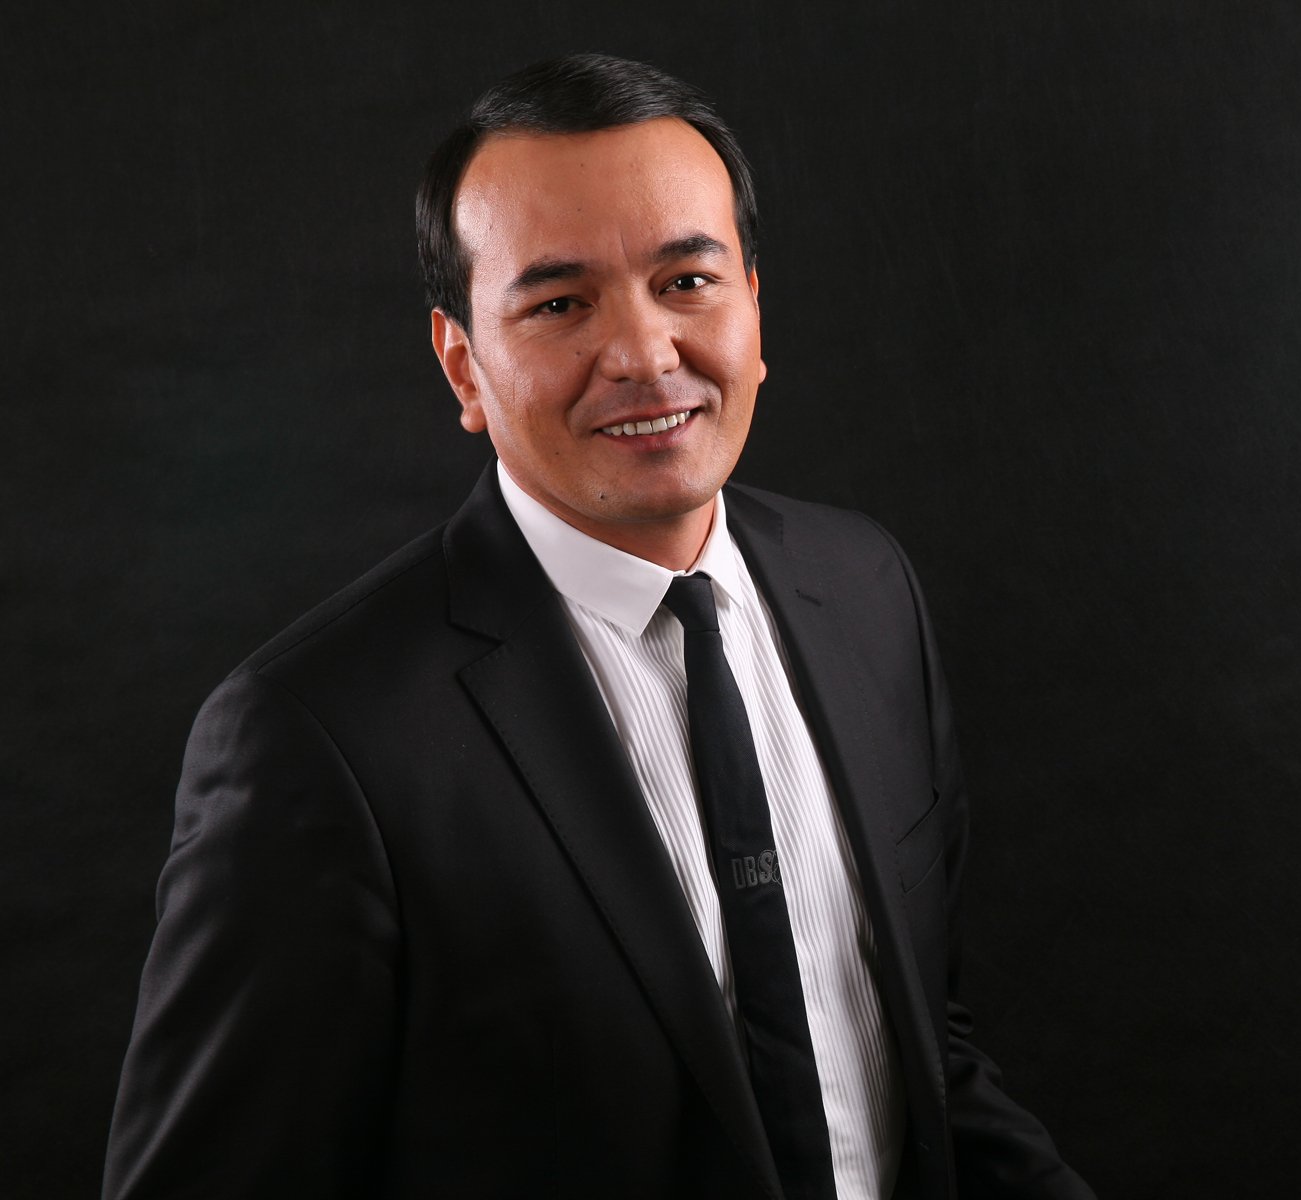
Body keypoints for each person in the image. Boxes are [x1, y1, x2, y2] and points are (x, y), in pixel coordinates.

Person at [102, 53, 1096, 1200]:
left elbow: (924, 1061)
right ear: (463, 365)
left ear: (754, 307)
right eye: (561, 304)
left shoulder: (866, 590)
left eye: (687, 281)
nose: (643, 354)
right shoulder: (316, 740)